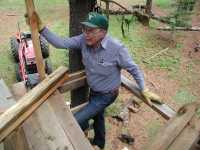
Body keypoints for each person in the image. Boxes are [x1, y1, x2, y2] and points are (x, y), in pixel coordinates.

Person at [26, 12, 159, 150]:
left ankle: (81, 140)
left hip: (108, 94)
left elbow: (133, 68)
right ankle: (99, 144)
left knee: (76, 120)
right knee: (98, 116)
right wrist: (41, 28)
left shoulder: (116, 48)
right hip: (94, 90)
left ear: (103, 32)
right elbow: (61, 43)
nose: (86, 34)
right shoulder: (83, 40)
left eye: (90, 31)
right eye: (84, 29)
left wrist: (144, 89)